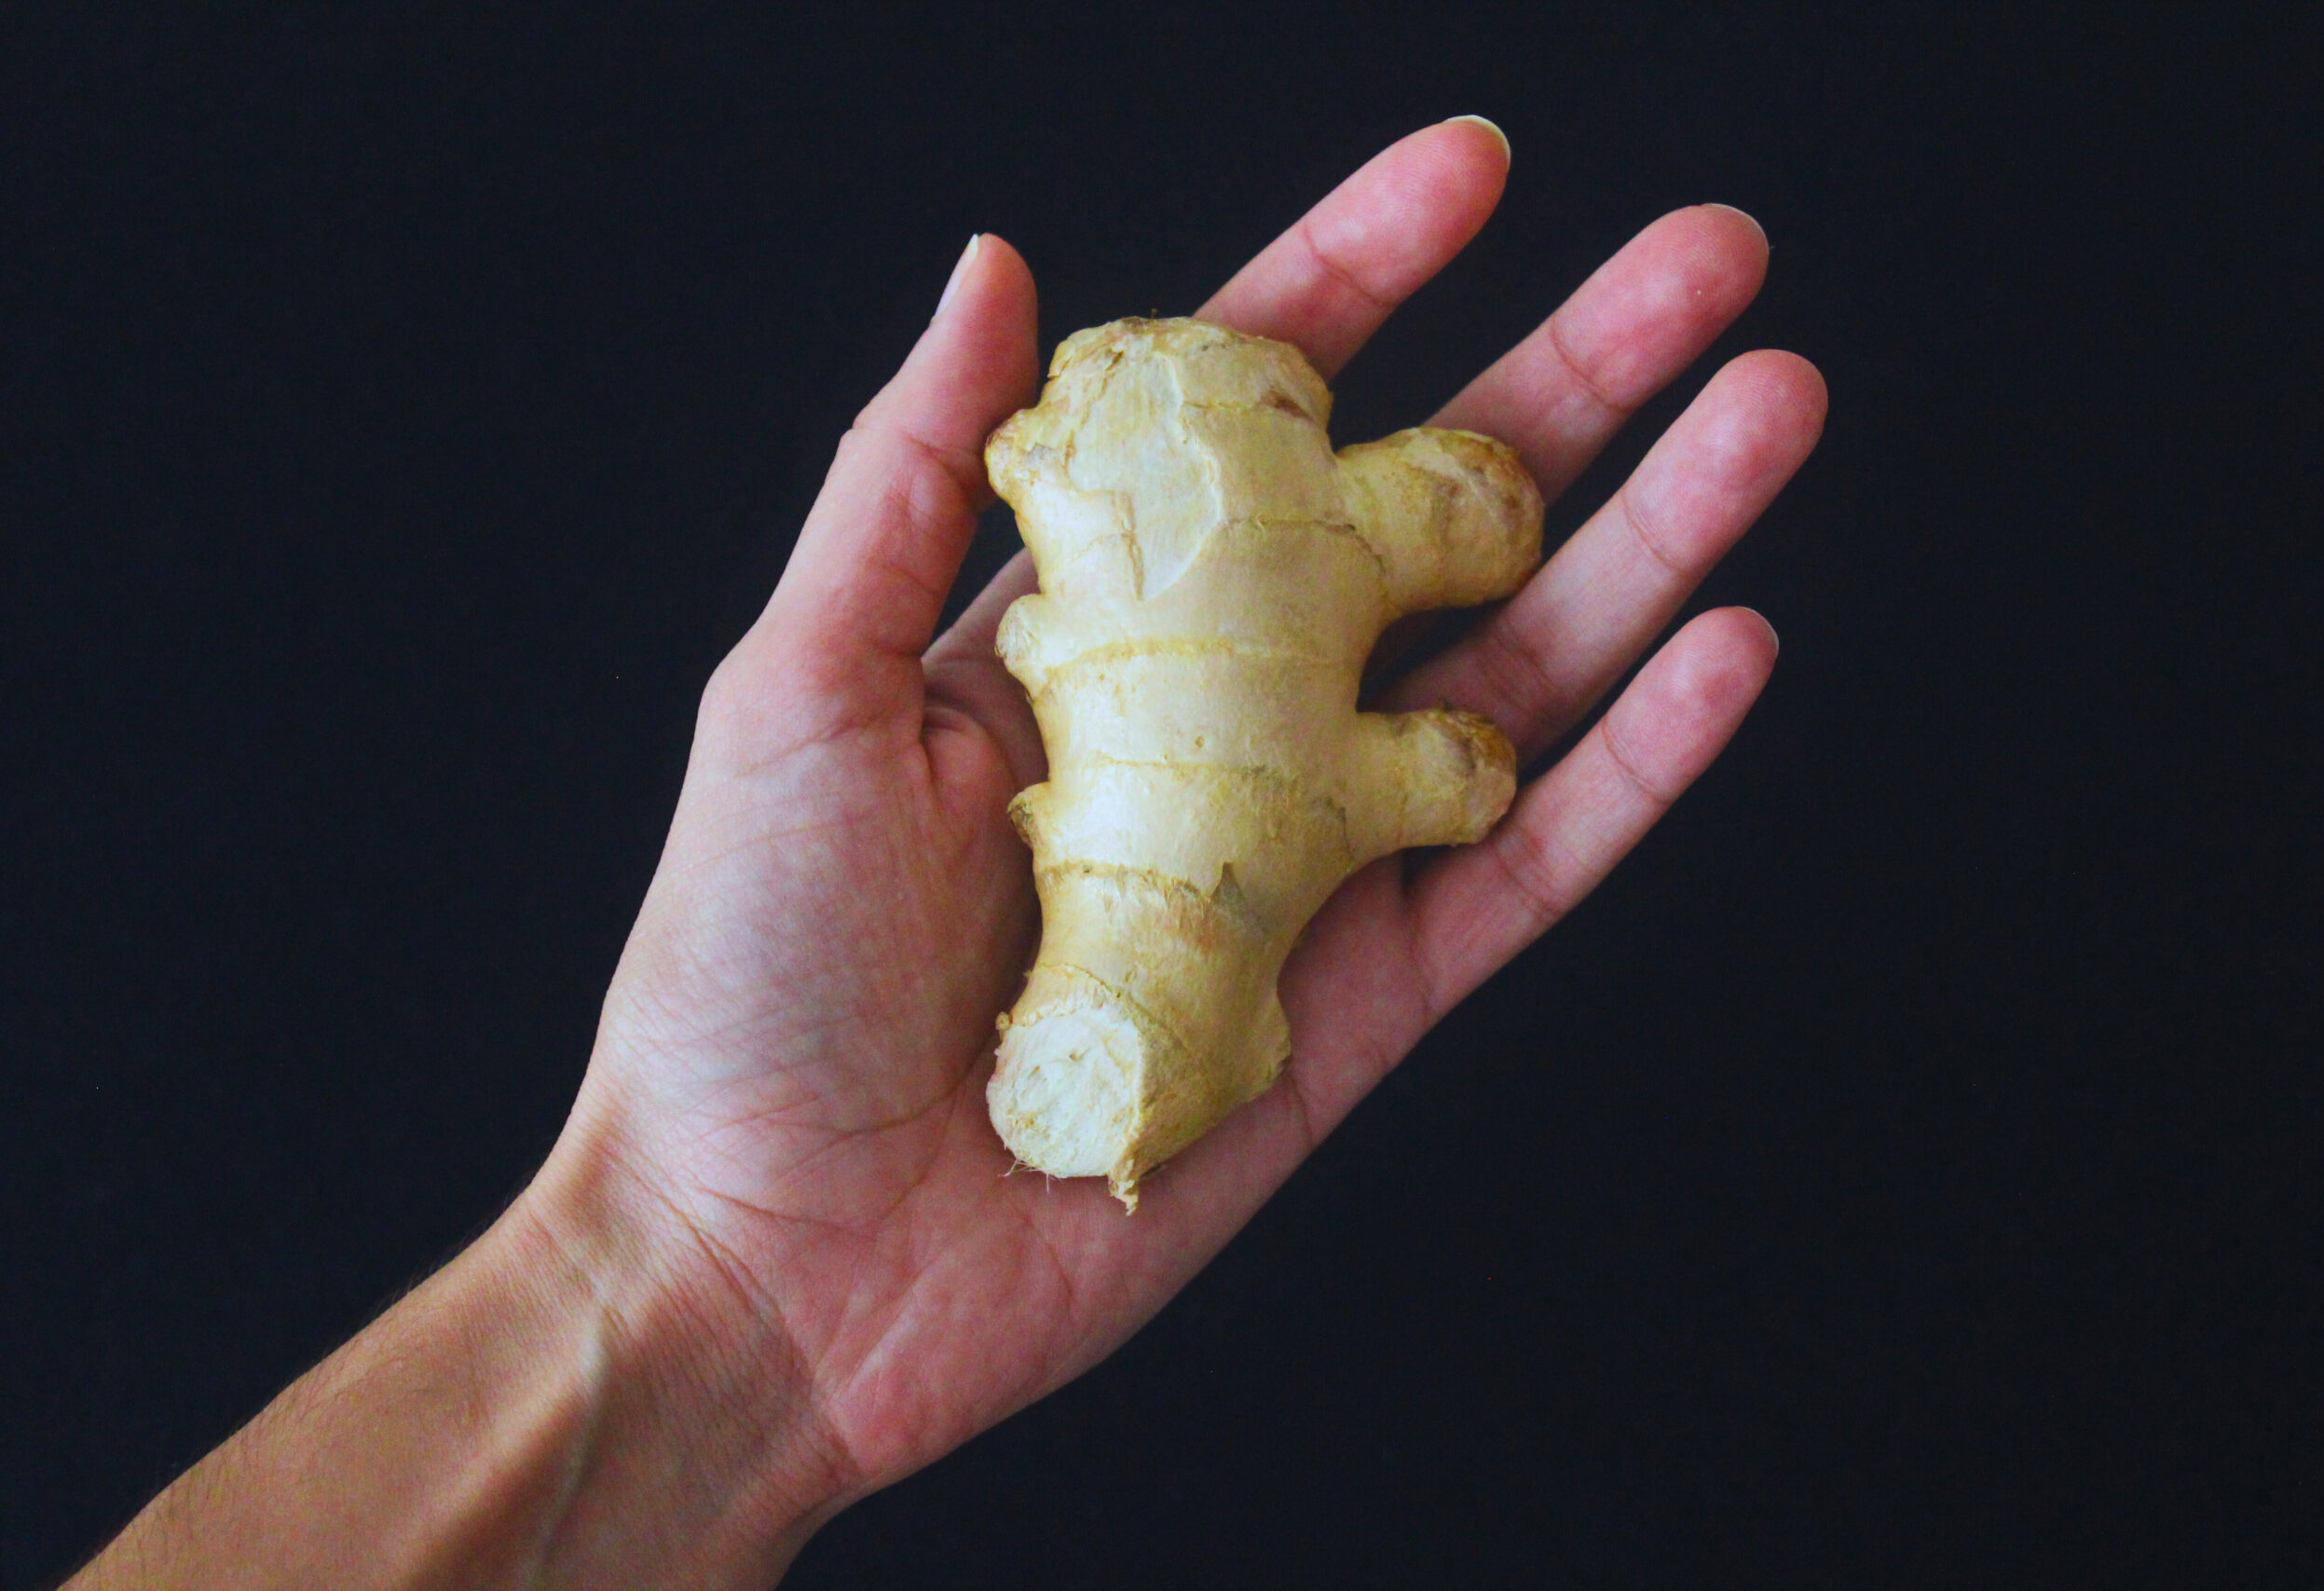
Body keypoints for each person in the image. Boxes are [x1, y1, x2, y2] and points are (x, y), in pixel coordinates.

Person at [68, 117, 1825, 1588]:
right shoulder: (1243, 563)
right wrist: (702, 1281)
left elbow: (1416, 716)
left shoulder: (1168, 529)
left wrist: (691, 1297)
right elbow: (1453, 641)